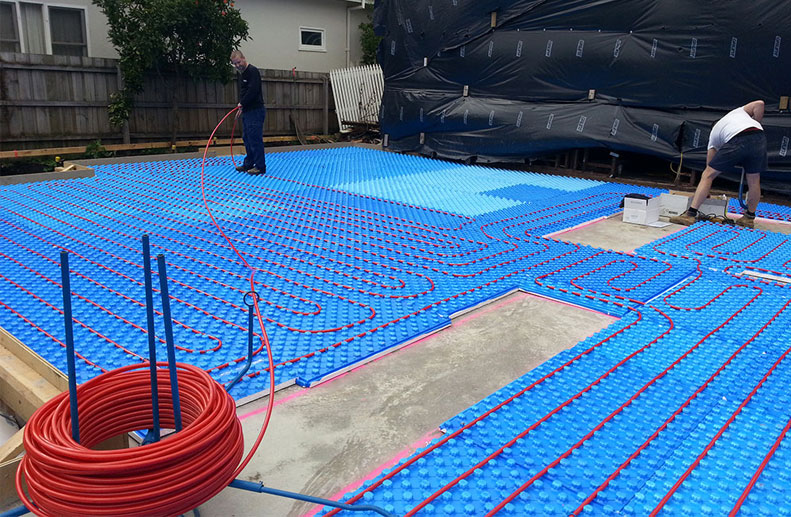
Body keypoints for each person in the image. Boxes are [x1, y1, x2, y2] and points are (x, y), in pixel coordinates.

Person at [670, 100, 766, 228]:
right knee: (754, 180)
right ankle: (749, 218)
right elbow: (760, 103)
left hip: (737, 138)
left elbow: (709, 170)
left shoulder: (714, 134)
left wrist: (705, 190)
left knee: (707, 175)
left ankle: (690, 215)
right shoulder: (738, 112)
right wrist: (756, 122)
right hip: (759, 137)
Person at [230, 50, 266, 175]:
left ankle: (260, 166)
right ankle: (248, 164)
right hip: (247, 111)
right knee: (247, 138)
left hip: (255, 111)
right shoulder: (242, 74)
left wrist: (242, 103)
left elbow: (253, 91)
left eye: (238, 62)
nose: (237, 65)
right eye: (235, 64)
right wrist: (241, 108)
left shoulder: (252, 71)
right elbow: (244, 93)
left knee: (255, 139)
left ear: (244, 58)